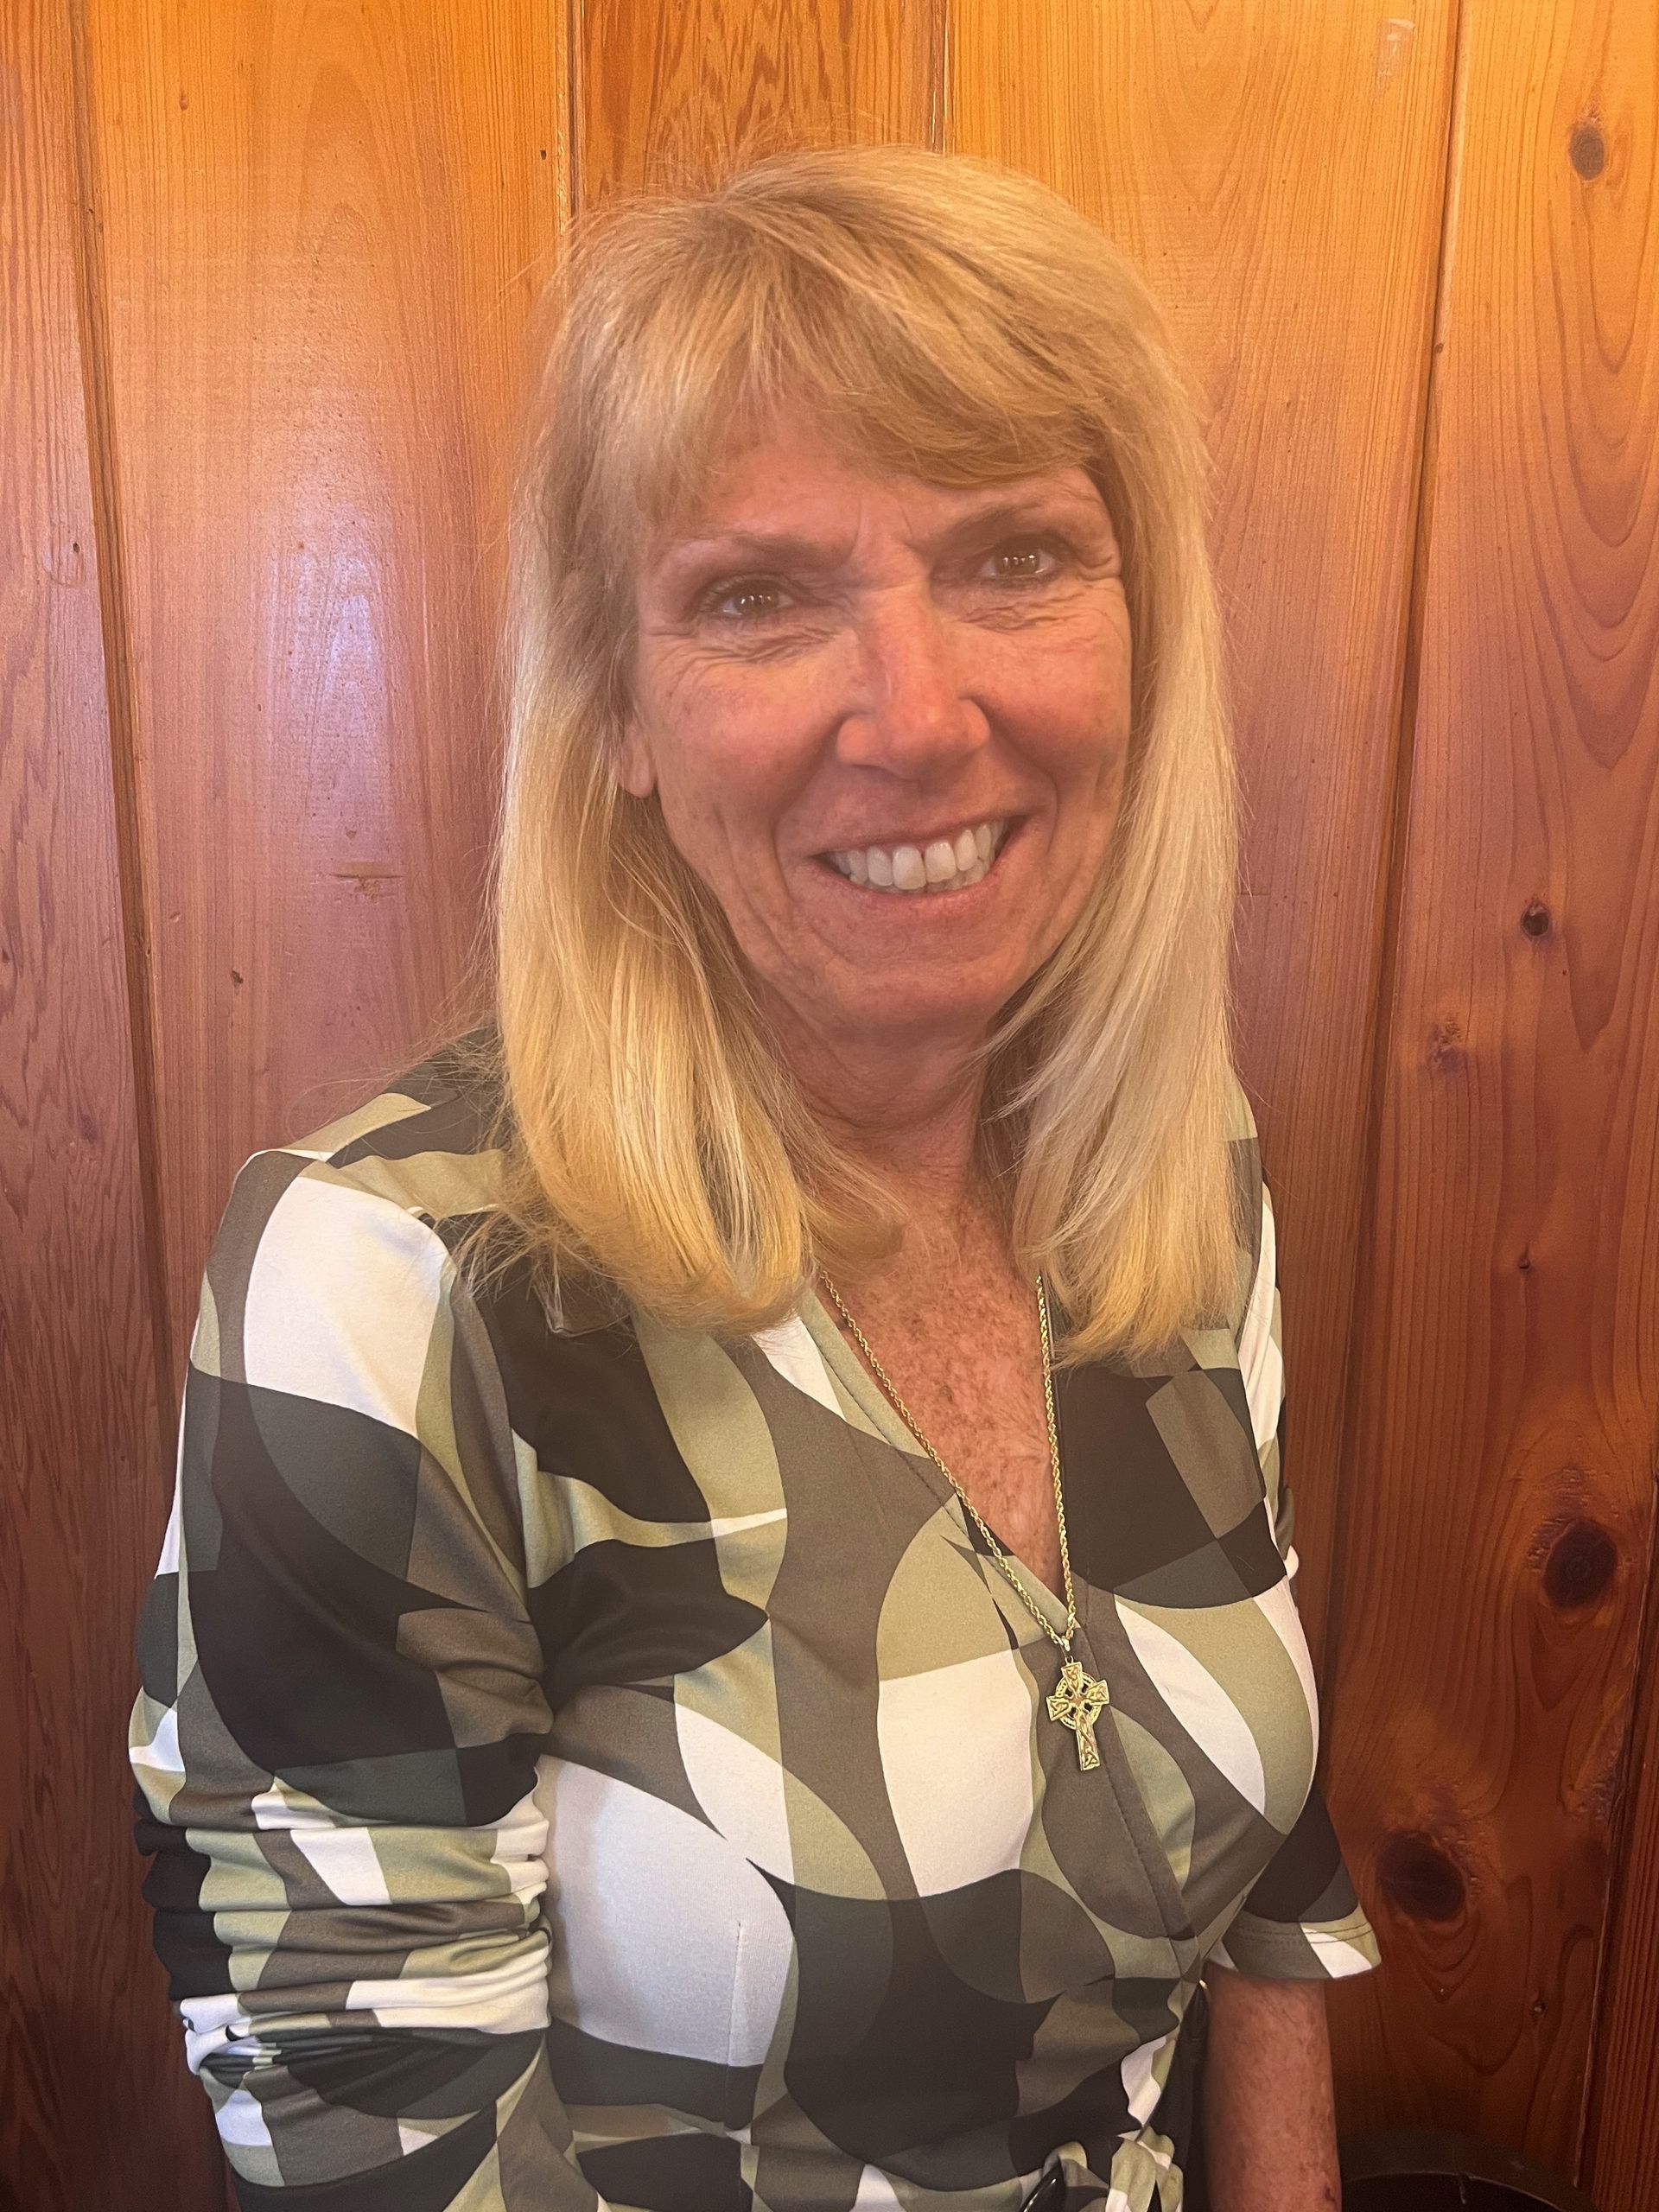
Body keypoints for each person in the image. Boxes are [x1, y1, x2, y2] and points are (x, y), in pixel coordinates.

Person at [129, 141, 1381, 2212]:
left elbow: (1261, 1888)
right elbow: (387, 2161)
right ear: (616, 703)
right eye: (760, 594)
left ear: (1144, 629)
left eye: (1016, 558)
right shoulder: (389, 1283)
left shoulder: (1176, 1164)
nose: (918, 713)